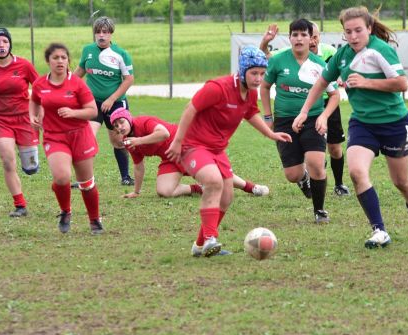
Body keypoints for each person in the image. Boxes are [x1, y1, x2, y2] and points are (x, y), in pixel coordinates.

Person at [293, 6, 408, 248]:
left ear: (369, 28)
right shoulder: (342, 55)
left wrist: (366, 82)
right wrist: (304, 111)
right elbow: (321, 82)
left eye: (358, 30)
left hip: (394, 123)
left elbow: (402, 84)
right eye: (348, 31)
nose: (353, 36)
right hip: (363, 124)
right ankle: (379, 230)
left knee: (401, 181)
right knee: (356, 172)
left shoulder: (381, 50)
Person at [165, 46, 292, 257]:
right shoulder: (218, 88)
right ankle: (210, 239)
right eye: (254, 73)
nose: (258, 78)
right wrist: (177, 141)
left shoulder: (249, 94)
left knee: (226, 198)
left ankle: (199, 246)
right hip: (193, 145)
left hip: (217, 149)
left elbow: (250, 114)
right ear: (242, 71)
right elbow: (190, 109)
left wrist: (271, 134)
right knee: (213, 182)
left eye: (262, 73)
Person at [260, 19, 340, 224]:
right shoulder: (278, 61)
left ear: (310, 38)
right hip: (285, 121)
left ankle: (319, 211)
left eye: (303, 34)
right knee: (292, 174)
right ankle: (303, 179)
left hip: (313, 119)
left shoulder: (320, 64)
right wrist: (268, 117)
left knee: (315, 163)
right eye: (294, 35)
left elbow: (334, 96)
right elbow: (265, 86)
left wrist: (323, 116)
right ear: (289, 38)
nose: (298, 38)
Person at [109, 108, 270, 198]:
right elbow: (138, 166)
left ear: (128, 119)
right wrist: (136, 192)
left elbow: (163, 133)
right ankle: (198, 189)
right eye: (116, 125)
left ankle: (252, 188)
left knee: (217, 174)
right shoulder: (128, 141)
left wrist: (139, 140)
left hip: (185, 146)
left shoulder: (142, 122)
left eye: (121, 122)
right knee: (164, 191)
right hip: (170, 158)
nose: (120, 127)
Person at [30, 43, 103, 235]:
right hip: (55, 137)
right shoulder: (40, 84)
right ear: (48, 61)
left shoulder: (78, 83)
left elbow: (92, 111)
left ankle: (94, 220)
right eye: (56, 58)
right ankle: (65, 211)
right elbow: (34, 101)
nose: (60, 61)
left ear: (68, 61)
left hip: (80, 136)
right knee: (62, 177)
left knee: (86, 184)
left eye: (63, 57)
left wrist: (73, 112)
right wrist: (33, 116)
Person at [0, 27, 40, 217]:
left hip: (24, 119)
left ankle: (29, 163)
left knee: (31, 168)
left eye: (4, 41)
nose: (1, 45)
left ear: (9, 44)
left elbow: (39, 89)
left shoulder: (24, 65)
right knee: (7, 161)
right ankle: (20, 205)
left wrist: (38, 114)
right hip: (1, 120)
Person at [74, 16, 135, 186]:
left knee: (117, 141)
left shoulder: (121, 54)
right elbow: (79, 71)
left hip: (115, 104)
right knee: (88, 138)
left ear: (110, 34)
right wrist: (65, 86)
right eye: (98, 32)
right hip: (92, 103)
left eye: (105, 32)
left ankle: (125, 176)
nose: (101, 35)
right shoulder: (88, 50)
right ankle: (85, 180)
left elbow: (129, 79)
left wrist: (111, 99)